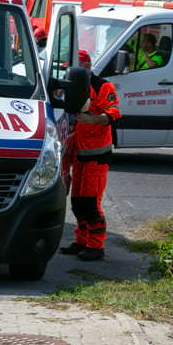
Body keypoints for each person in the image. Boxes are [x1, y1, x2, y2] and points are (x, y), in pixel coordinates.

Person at [60, 50, 122, 261]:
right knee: (77, 202)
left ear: (87, 66)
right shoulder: (70, 86)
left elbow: (113, 114)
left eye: (79, 66)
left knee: (90, 202)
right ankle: (81, 241)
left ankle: (96, 246)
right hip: (78, 154)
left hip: (97, 155)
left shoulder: (103, 87)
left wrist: (92, 120)